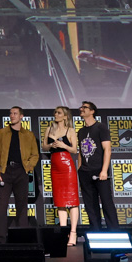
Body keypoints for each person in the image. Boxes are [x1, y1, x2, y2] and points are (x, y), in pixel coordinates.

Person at [0, 106, 38, 243]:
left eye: (15, 113)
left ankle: (22, 236)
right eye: (11, 113)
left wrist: (27, 168)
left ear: (21, 116)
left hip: (21, 172)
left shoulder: (28, 135)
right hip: (5, 171)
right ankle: (0, 237)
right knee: (2, 204)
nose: (12, 116)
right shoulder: (2, 133)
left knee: (22, 205)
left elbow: (35, 155)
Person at [76, 100, 118, 230]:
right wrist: (80, 169)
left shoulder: (101, 127)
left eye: (85, 107)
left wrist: (104, 170)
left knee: (107, 203)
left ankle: (115, 234)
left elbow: (107, 149)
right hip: (85, 172)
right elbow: (81, 151)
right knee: (90, 205)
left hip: (100, 171)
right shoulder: (81, 131)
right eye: (81, 107)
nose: (81, 109)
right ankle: (95, 233)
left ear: (92, 111)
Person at [42, 105, 81, 246]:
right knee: (60, 201)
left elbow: (74, 150)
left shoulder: (70, 130)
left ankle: (73, 233)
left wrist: (63, 145)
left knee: (72, 200)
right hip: (55, 166)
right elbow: (44, 147)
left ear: (65, 116)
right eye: (55, 112)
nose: (55, 114)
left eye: (58, 113)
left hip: (67, 166)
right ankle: (64, 231)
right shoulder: (49, 129)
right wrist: (51, 146)